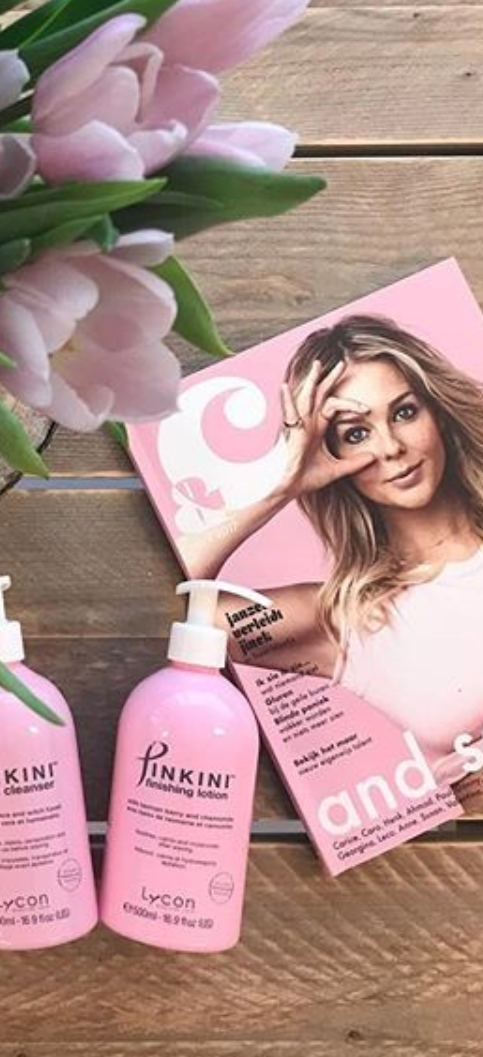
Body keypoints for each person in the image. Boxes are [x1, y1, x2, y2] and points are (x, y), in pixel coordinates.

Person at [179, 314, 483, 804]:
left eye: (404, 412)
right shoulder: (338, 618)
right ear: (330, 455)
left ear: (438, 411)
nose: (390, 449)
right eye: (356, 433)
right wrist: (280, 485)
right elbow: (170, 615)